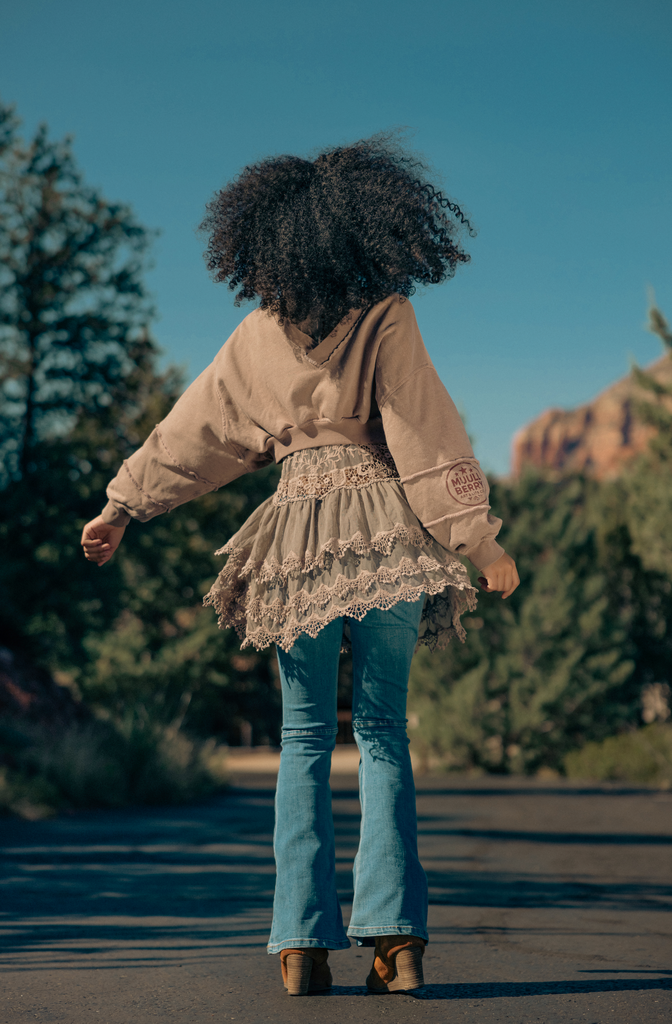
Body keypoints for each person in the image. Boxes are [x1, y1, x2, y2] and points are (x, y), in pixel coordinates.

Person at [81, 132, 519, 996]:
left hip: (294, 543)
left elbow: (193, 432)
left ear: (266, 241)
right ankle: (396, 940)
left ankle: (299, 944)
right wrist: (477, 535)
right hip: (384, 538)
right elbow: (422, 429)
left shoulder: (254, 337)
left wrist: (123, 502)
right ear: (370, 231)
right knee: (385, 734)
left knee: (303, 739)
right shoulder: (386, 311)